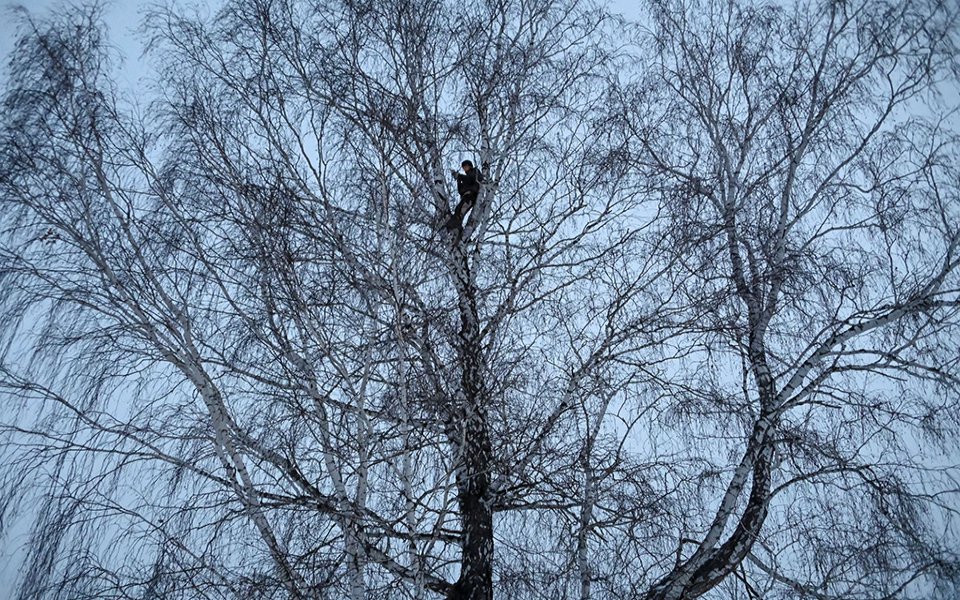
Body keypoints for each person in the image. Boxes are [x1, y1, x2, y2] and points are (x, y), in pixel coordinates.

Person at [444, 160, 485, 232]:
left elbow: (471, 179)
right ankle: (456, 226)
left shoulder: (475, 172)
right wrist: (459, 181)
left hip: (471, 195)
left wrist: (459, 176)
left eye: (466, 167)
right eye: (463, 167)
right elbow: (461, 191)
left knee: (461, 210)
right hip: (466, 196)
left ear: (470, 166)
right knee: (458, 209)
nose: (464, 169)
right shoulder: (466, 178)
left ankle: (455, 224)